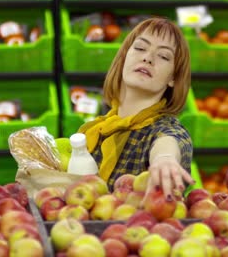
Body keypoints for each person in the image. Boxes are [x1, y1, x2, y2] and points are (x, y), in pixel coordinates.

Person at [78, 17, 194, 201]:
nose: (147, 58)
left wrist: (165, 158)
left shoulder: (163, 131)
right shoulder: (97, 130)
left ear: (173, 77)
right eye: (140, 48)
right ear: (124, 57)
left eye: (163, 56)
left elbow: (170, 141)